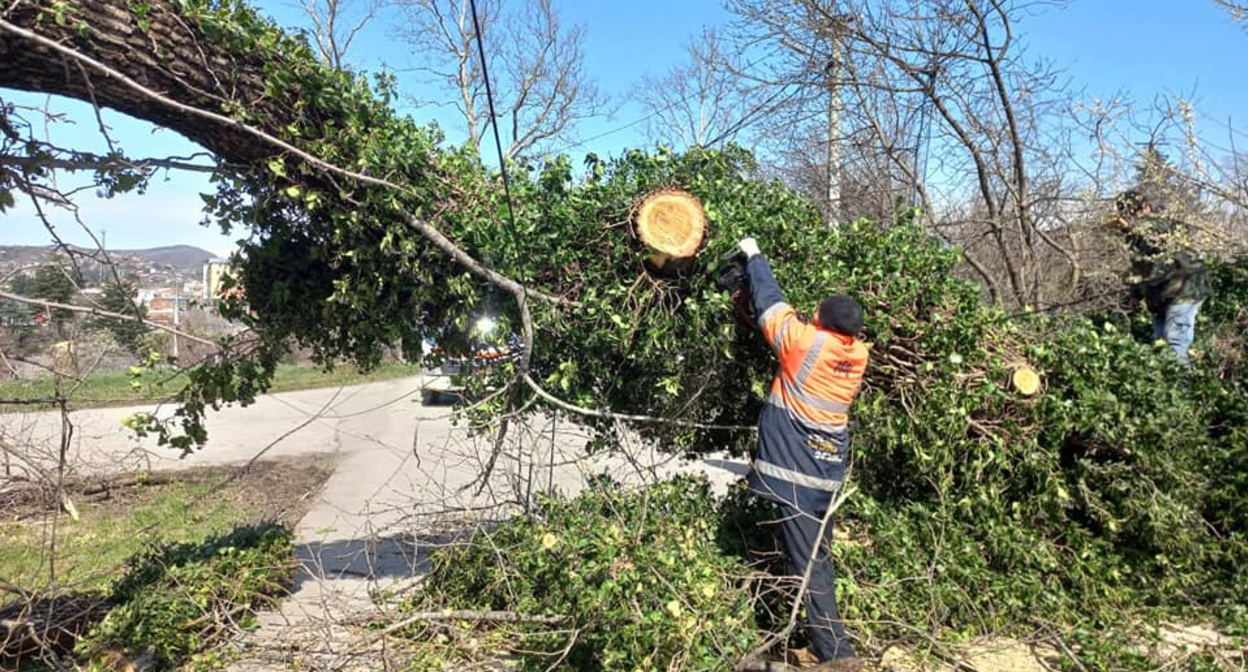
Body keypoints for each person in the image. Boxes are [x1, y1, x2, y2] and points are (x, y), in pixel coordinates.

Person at [737, 236, 869, 671]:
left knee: (810, 566)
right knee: (815, 558)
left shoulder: (805, 344)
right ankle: (813, 642)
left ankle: (837, 656)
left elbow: (772, 305)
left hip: (798, 474)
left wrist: (755, 254)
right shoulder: (856, 355)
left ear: (822, 322)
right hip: (825, 473)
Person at [1110, 190, 1211, 365]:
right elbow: (1140, 265)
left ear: (1146, 208)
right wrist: (1135, 295)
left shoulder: (1161, 225)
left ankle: (1182, 390)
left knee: (1175, 343)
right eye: (1126, 214)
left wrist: (1130, 230)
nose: (1130, 217)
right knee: (1160, 345)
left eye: (1132, 212)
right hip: (1160, 295)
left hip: (1184, 290)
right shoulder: (1134, 236)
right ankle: (1168, 389)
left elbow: (1155, 248)